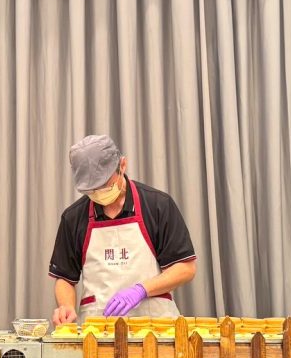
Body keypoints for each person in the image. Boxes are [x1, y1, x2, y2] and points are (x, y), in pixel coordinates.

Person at [49, 135, 197, 323]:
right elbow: (65, 278)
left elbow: (185, 268)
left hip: (156, 326)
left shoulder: (158, 205)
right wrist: (66, 306)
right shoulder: (73, 217)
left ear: (123, 165)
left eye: (105, 185)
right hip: (98, 328)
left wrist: (141, 290)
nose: (99, 193)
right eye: (91, 190)